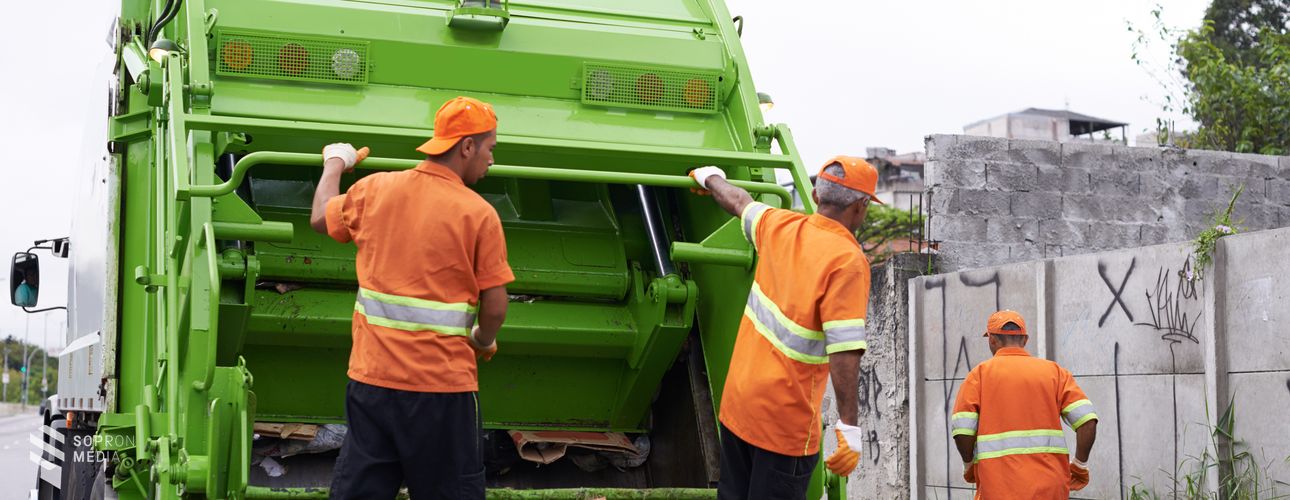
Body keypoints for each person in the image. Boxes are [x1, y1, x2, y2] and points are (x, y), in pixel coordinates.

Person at [310, 96, 513, 499]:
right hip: (443, 391)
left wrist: (335, 162)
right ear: (467, 147)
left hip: (372, 383)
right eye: (490, 149)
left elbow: (320, 217)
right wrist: (483, 340)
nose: (492, 160)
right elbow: (495, 305)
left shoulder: (375, 189)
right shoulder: (479, 214)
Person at [690, 157, 880, 499]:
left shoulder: (779, 226)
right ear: (861, 206)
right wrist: (849, 426)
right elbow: (844, 350)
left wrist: (710, 177)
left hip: (739, 407)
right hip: (783, 424)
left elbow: (738, 202)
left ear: (815, 195)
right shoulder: (847, 262)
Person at [951, 310, 1098, 499]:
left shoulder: (978, 376)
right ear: (1025, 340)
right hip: (1050, 489)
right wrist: (1080, 465)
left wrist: (969, 464)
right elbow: (1087, 420)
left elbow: (962, 431)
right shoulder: (1055, 373)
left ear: (992, 340)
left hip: (998, 489)